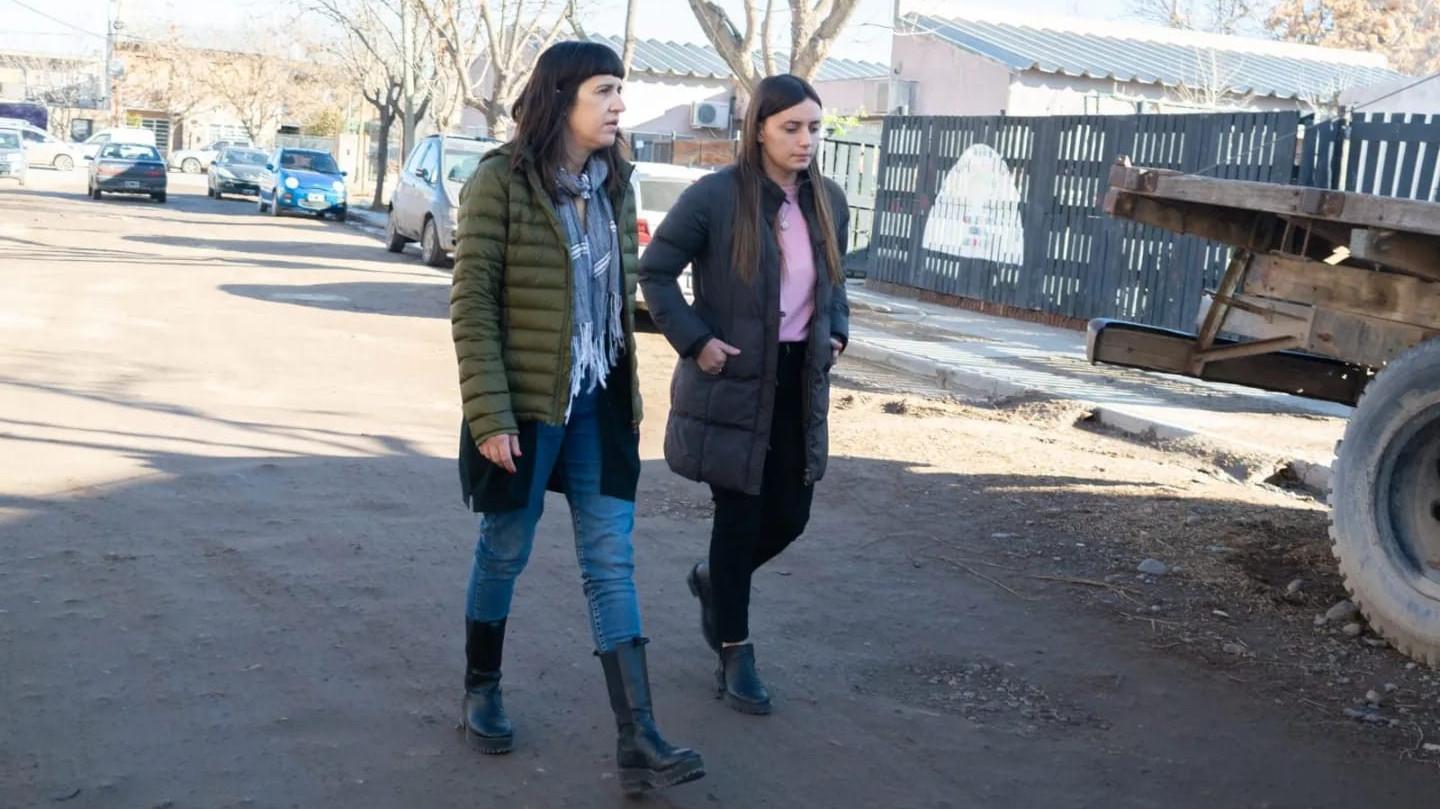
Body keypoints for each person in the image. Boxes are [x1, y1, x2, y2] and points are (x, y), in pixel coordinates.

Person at [450, 40, 704, 795]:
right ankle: (481, 687)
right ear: (562, 98)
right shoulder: (499, 181)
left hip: (598, 398)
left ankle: (638, 733)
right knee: (505, 547)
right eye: (605, 90)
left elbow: (616, 305)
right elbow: (473, 306)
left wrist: (630, 401)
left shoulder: (615, 183)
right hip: (527, 403)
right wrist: (490, 415)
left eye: (620, 89)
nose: (619, 104)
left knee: (610, 559)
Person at [638, 74, 850, 715]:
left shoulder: (828, 201)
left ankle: (715, 581)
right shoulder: (715, 197)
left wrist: (836, 331)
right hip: (732, 380)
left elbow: (834, 284)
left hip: (799, 381)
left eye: (814, 128)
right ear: (759, 129)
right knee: (739, 518)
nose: (805, 140)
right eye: (792, 127)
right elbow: (656, 272)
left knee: (791, 516)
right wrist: (696, 341)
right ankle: (735, 651)